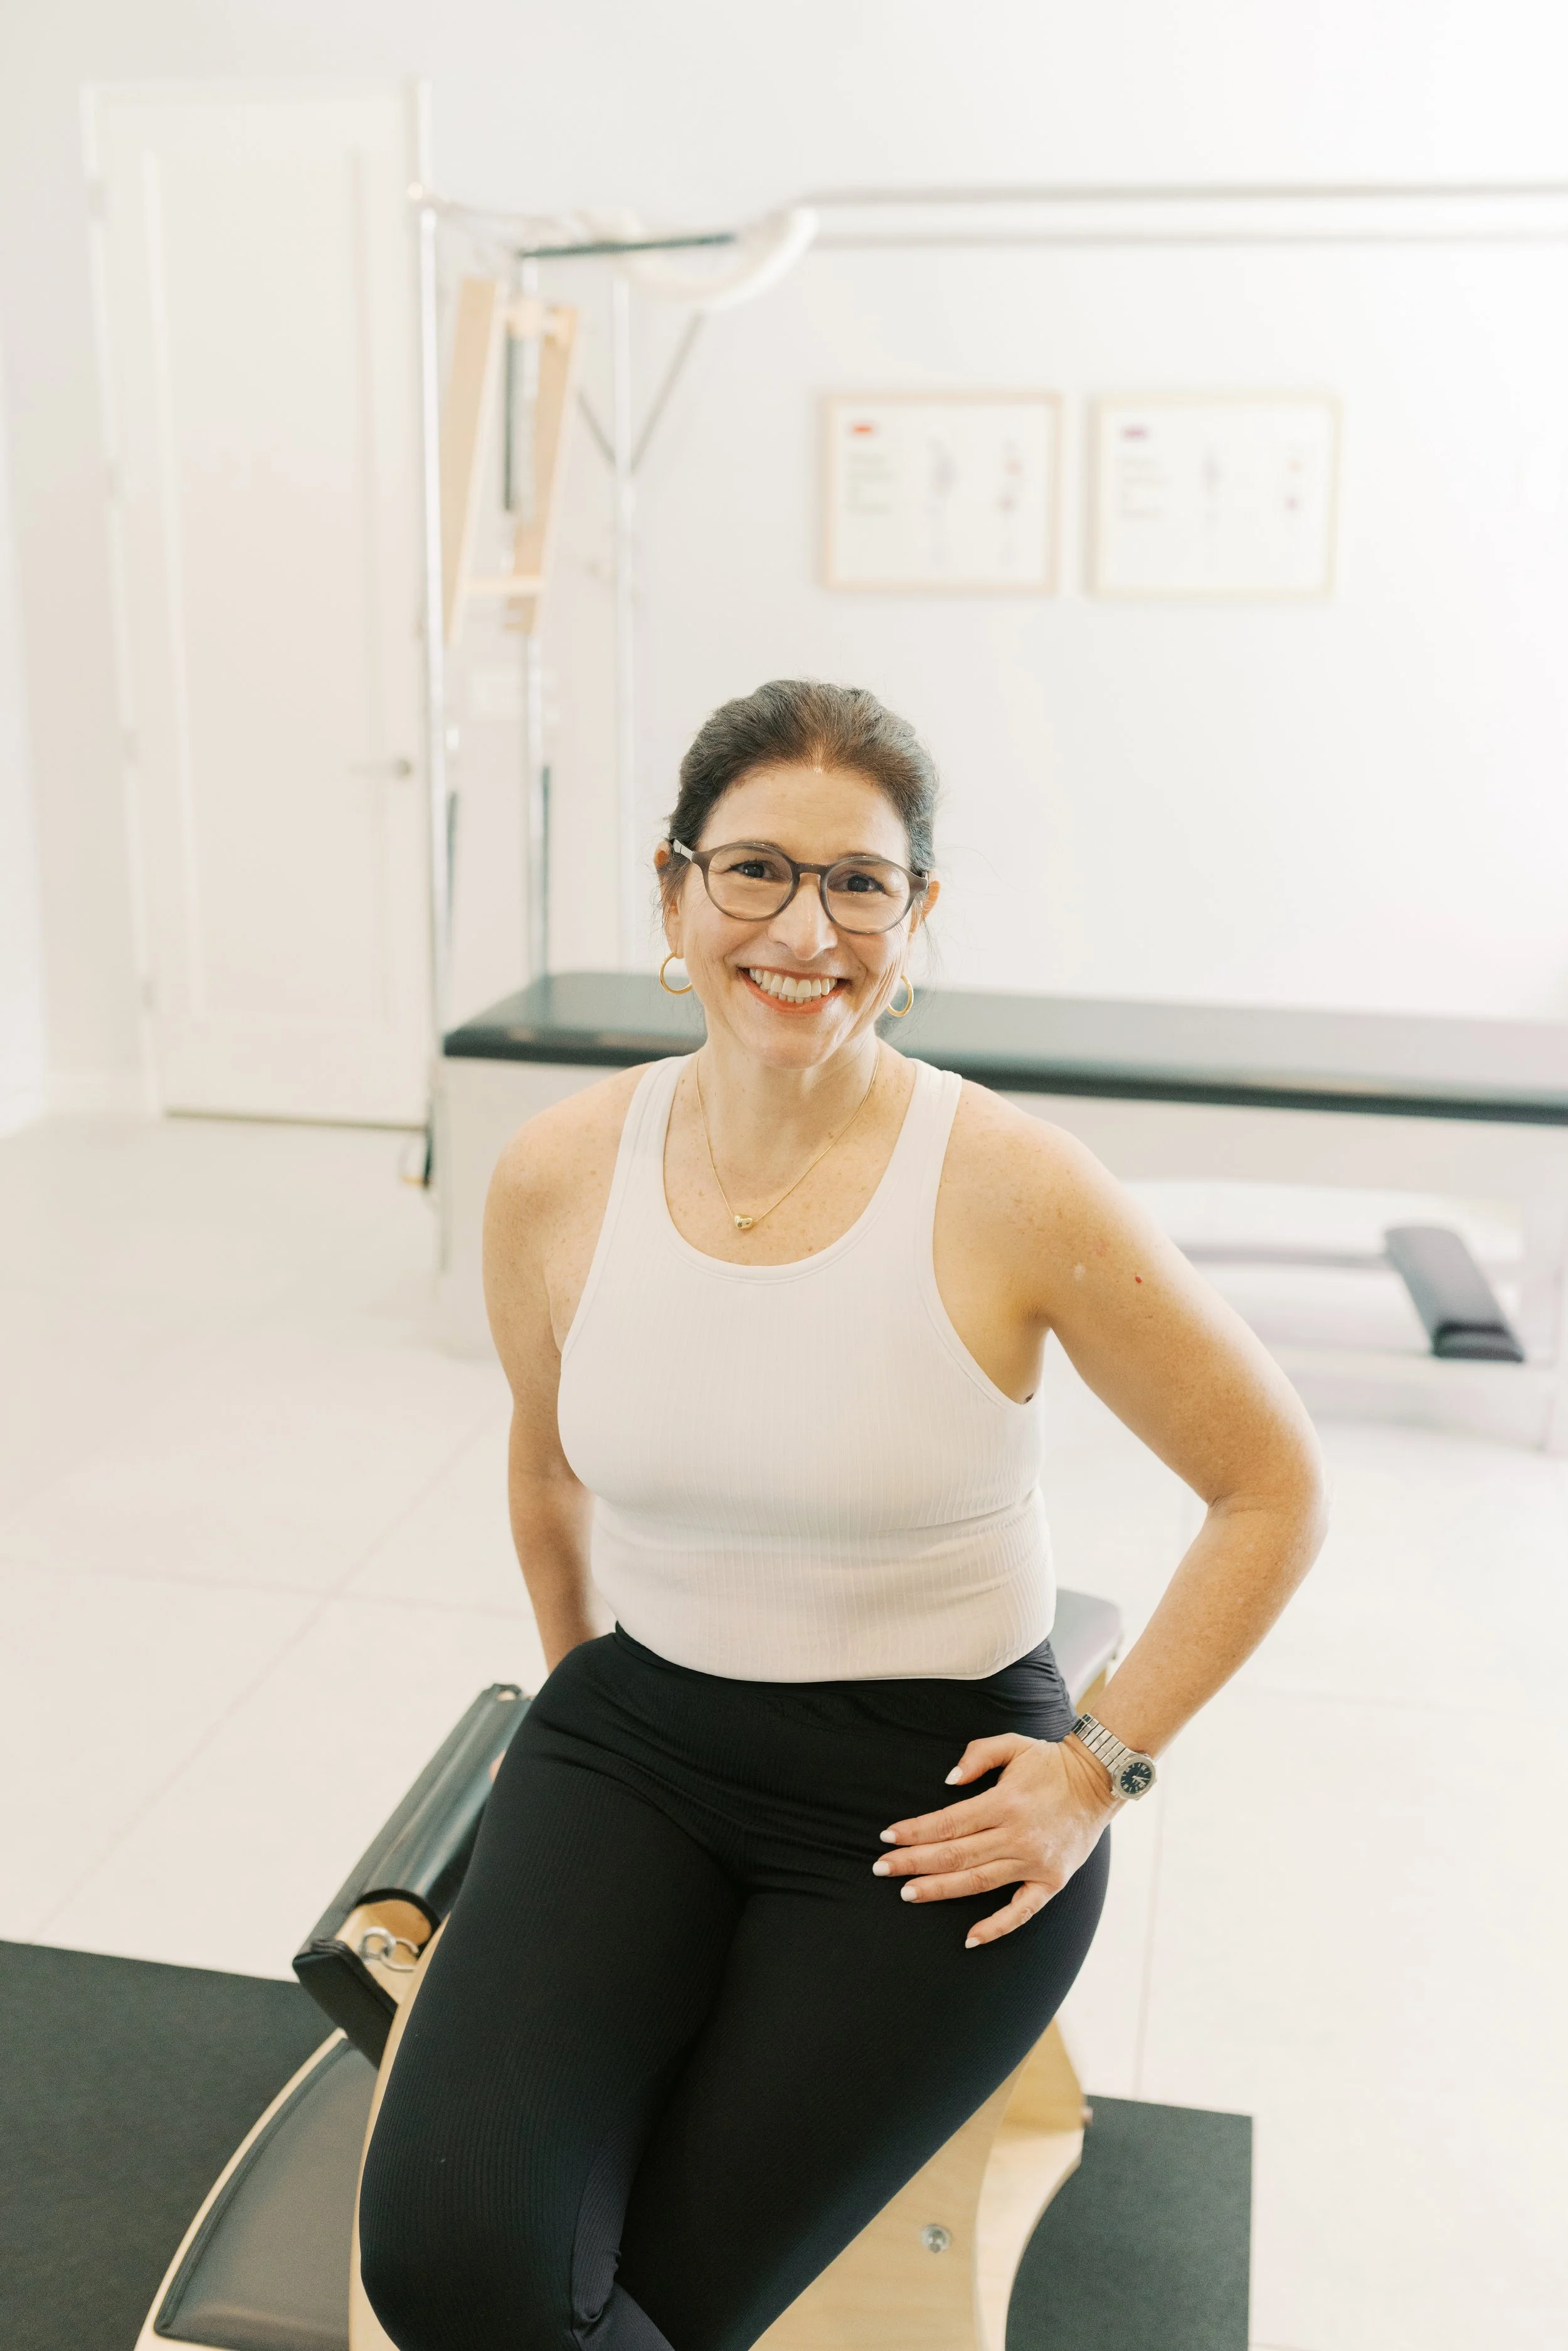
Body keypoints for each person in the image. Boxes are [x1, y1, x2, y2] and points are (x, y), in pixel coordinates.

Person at [359, 679, 1326, 2351]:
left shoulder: (1012, 1183)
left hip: (928, 1798)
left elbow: (1272, 1487)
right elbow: (546, 1465)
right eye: (755, 870)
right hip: (636, 1745)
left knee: (656, 2299)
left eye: (859, 883)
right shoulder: (556, 1174)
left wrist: (1097, 1769)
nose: (804, 931)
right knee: (454, 2268)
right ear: (673, 889)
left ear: (915, 913)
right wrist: (581, 1712)